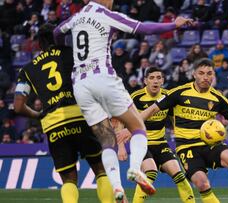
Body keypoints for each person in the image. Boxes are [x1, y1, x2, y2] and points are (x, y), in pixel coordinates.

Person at [53, 0, 193, 199]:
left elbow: (57, 32)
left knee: (106, 140)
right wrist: (174, 24)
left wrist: (64, 53)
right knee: (138, 127)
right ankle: (135, 169)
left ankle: (117, 186)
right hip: (103, 78)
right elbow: (144, 28)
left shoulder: (75, 18)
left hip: (81, 86)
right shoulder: (106, 14)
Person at [131, 58, 228, 203]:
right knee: (202, 183)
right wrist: (130, 128)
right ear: (194, 74)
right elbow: (152, 110)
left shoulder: (218, 98)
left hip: (209, 144)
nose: (205, 77)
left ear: (214, 75)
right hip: (187, 147)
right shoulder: (179, 93)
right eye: (201, 73)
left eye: (209, 73)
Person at [13, 24, 115, 203]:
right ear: (59, 38)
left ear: (39, 44)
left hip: (54, 123)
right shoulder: (73, 54)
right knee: (100, 169)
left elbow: (18, 106)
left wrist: (38, 115)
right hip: (81, 116)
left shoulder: (27, 70)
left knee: (68, 179)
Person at [119, 67, 195, 203]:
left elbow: (175, 121)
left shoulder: (168, 97)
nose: (155, 81)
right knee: (151, 172)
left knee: (180, 177)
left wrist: (185, 143)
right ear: (145, 81)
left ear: (163, 81)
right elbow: (122, 121)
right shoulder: (136, 97)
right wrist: (121, 147)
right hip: (142, 143)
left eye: (158, 78)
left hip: (160, 143)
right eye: (152, 78)